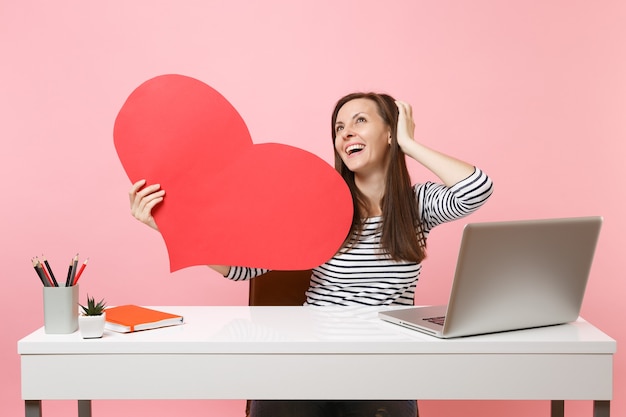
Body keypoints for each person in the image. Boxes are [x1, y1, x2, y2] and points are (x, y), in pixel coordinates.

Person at [129, 92, 494, 417]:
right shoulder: (321, 205)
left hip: (383, 363)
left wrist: (408, 143)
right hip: (307, 359)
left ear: (389, 133)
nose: (346, 132)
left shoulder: (417, 204)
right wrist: (168, 227)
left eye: (360, 121)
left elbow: (477, 187)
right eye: (339, 127)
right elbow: (244, 268)